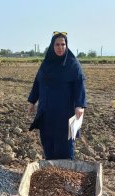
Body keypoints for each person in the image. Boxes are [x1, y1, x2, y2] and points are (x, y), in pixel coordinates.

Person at [27, 31, 87, 160]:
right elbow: (38, 82)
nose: (60, 47)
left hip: (65, 112)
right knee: (48, 142)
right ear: (52, 46)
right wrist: (32, 101)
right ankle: (51, 169)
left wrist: (79, 105)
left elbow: (79, 85)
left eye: (63, 44)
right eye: (57, 44)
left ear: (66, 46)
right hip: (46, 110)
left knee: (65, 144)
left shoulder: (73, 65)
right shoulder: (46, 64)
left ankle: (66, 172)